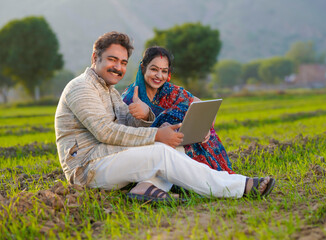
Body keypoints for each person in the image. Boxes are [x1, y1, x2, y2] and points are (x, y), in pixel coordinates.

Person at [55, 31, 275, 202]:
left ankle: (147, 188)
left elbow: (128, 126)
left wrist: (145, 114)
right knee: (161, 152)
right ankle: (238, 186)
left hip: (108, 158)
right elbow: (105, 131)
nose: (118, 67)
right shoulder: (81, 88)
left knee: (172, 148)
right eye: (112, 59)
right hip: (87, 168)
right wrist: (157, 136)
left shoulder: (110, 92)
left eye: (123, 62)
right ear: (95, 57)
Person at [122, 46, 234, 174]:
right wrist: (157, 129)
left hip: (176, 144)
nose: (159, 76)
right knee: (171, 116)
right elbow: (127, 135)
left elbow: (200, 105)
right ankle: (193, 174)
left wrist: (205, 127)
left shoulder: (169, 90)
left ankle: (211, 171)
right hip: (150, 151)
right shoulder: (130, 98)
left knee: (193, 119)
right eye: (154, 69)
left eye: (164, 71)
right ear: (143, 68)